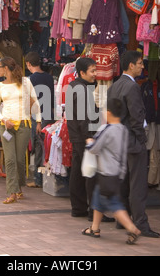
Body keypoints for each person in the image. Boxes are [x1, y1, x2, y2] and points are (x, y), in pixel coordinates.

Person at [107, 50, 160, 238]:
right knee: (137, 184)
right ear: (131, 65)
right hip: (132, 140)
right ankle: (140, 223)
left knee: (123, 182)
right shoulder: (132, 87)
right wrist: (142, 137)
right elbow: (137, 117)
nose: (142, 66)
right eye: (139, 63)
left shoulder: (114, 86)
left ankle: (122, 220)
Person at [82, 98, 142, 245]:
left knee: (113, 203)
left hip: (106, 172)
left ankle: (131, 227)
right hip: (117, 172)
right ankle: (95, 228)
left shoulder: (107, 130)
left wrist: (89, 142)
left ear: (108, 113)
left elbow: (95, 148)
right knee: (98, 197)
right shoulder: (123, 129)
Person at [0, 57, 41, 204]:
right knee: (10, 159)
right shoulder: (0, 86)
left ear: (5, 68)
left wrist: (38, 120)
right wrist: (3, 119)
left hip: (24, 125)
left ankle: (19, 187)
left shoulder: (25, 82)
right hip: (6, 125)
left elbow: (35, 101)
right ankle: (12, 192)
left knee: (19, 160)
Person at [65, 57, 107, 221]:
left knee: (78, 172)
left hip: (77, 136)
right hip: (84, 137)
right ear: (82, 72)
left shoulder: (76, 86)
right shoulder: (81, 90)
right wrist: (89, 138)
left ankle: (79, 207)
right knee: (90, 173)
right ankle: (93, 212)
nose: (95, 74)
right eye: (92, 71)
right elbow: (84, 118)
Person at [25, 51, 55, 188]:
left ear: (28, 64)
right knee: (46, 147)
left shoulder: (30, 80)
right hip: (48, 115)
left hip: (36, 116)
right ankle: (44, 177)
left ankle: (38, 180)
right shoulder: (49, 78)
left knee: (38, 147)